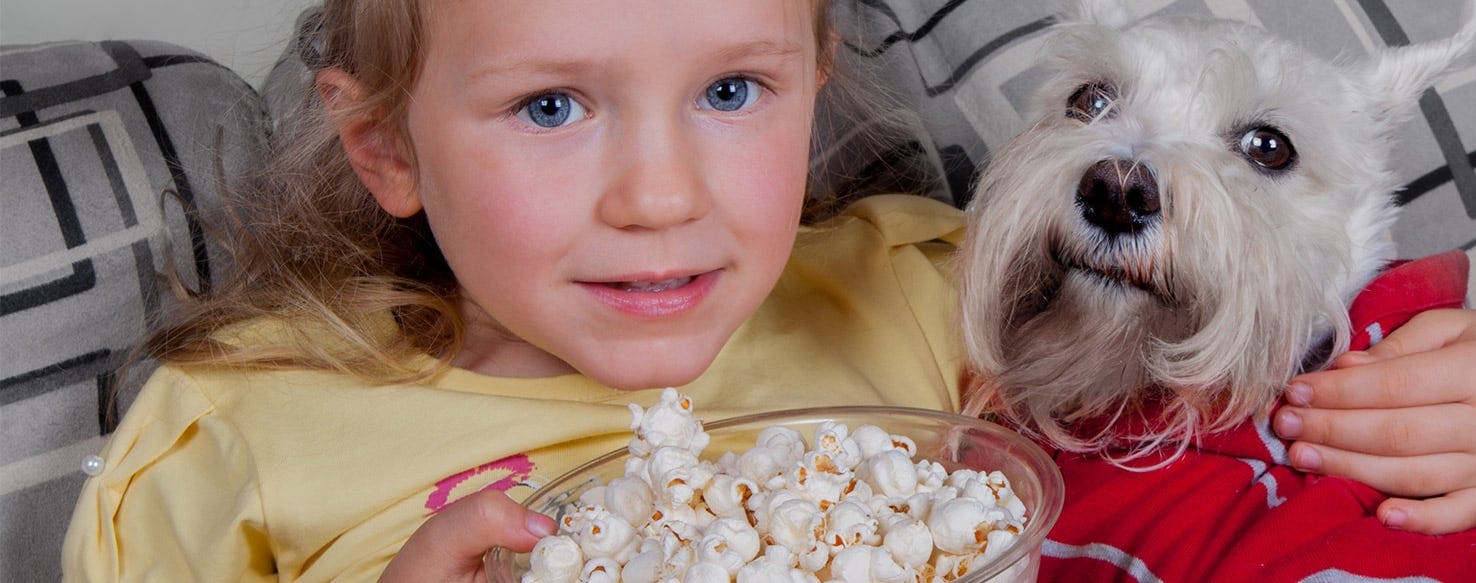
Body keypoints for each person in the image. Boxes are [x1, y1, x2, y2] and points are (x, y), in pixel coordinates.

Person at [60, 0, 1476, 581]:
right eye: (553, 107)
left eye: (733, 91)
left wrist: (1443, 378)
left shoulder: (927, 290)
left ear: (814, 88)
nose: (662, 196)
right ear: (386, 147)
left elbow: (1245, 361)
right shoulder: (228, 433)